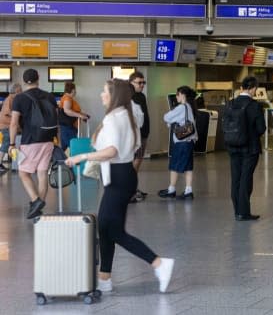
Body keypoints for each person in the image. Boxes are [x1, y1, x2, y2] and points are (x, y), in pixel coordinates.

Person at [65, 79, 174, 294]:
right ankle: (104, 278)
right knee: (105, 228)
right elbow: (131, 147)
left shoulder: (116, 119)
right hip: (122, 176)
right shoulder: (127, 116)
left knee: (113, 230)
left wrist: (81, 157)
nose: (101, 95)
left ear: (114, 95)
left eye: (104, 91)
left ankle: (159, 264)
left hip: (118, 177)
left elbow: (111, 150)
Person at [9, 69, 58, 219]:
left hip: (30, 141)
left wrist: (11, 144)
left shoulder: (19, 98)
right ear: (39, 78)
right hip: (48, 140)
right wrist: (59, 142)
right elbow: (56, 121)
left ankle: (36, 201)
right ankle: (38, 207)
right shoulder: (50, 96)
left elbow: (13, 123)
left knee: (24, 173)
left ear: (24, 81)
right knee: (42, 174)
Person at [225, 76, 267, 221]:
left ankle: (237, 210)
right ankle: (244, 212)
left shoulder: (230, 104)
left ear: (242, 87)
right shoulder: (254, 106)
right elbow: (261, 128)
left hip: (232, 146)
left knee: (235, 177)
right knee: (245, 178)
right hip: (250, 148)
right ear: (254, 88)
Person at [159, 86, 197, 200]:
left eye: (177, 94)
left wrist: (172, 120)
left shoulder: (181, 107)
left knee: (174, 166)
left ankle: (171, 189)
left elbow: (166, 117)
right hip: (190, 141)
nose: (176, 97)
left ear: (182, 95)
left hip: (181, 142)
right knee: (188, 167)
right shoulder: (190, 107)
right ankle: (188, 190)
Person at [129, 71, 150, 203]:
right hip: (136, 135)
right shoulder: (130, 97)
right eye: (139, 82)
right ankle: (129, 189)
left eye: (143, 82)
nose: (142, 85)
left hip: (143, 134)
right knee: (135, 162)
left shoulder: (141, 96)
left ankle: (132, 187)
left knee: (138, 161)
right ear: (131, 83)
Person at [57, 81, 89, 153]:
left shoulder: (68, 98)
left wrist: (83, 114)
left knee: (65, 147)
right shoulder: (67, 98)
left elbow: (73, 110)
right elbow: (67, 110)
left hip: (68, 127)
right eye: (75, 89)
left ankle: (59, 161)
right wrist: (80, 115)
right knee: (74, 147)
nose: (76, 91)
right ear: (73, 90)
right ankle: (76, 162)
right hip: (68, 128)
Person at [0, 83, 21, 175]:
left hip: (8, 126)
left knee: (8, 144)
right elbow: (7, 112)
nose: (21, 92)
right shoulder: (9, 99)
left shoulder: (13, 99)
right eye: (20, 91)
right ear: (16, 91)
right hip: (5, 126)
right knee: (6, 144)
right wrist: (17, 115)